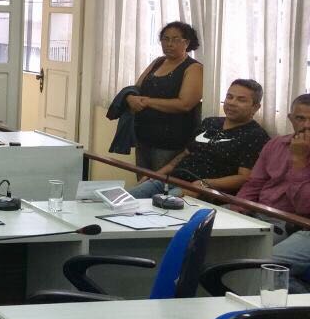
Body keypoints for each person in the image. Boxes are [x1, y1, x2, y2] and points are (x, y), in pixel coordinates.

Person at [129, 79, 270, 198]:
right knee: (123, 201)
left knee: (153, 209)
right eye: (229, 97)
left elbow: (244, 177)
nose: (232, 103)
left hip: (202, 189)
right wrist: (156, 175)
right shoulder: (210, 122)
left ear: (255, 107)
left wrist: (206, 183)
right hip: (172, 178)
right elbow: (185, 154)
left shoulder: (256, 136)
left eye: (241, 100)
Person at [235, 94, 310, 292]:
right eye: (301, 118)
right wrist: (236, 211)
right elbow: (254, 184)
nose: (306, 126)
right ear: (290, 118)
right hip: (261, 212)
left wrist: (300, 161)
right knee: (214, 246)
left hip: (297, 224)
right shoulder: (276, 144)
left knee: (261, 267)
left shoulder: (300, 153)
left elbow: (304, 207)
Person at [127, 21, 204, 171]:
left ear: (187, 42)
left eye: (176, 40)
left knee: (159, 187)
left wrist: (148, 102)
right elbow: (137, 88)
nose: (169, 44)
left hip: (171, 142)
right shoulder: (158, 62)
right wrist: (130, 97)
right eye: (165, 39)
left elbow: (185, 104)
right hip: (143, 136)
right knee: (142, 184)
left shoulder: (194, 68)